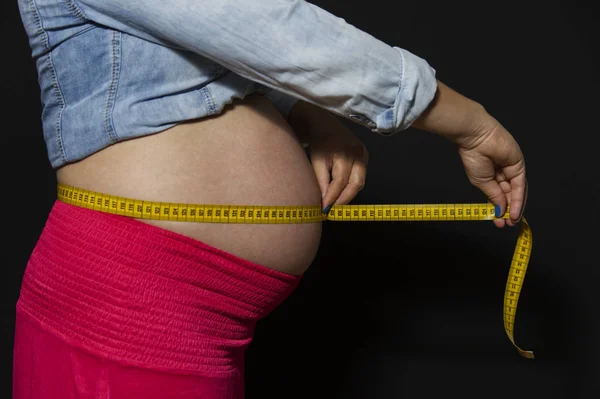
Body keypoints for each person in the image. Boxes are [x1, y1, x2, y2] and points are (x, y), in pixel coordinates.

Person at [14, 0, 527, 398]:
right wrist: (469, 124)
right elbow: (254, 23)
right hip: (126, 315)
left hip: (193, 321)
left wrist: (307, 113)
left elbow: (186, 48)